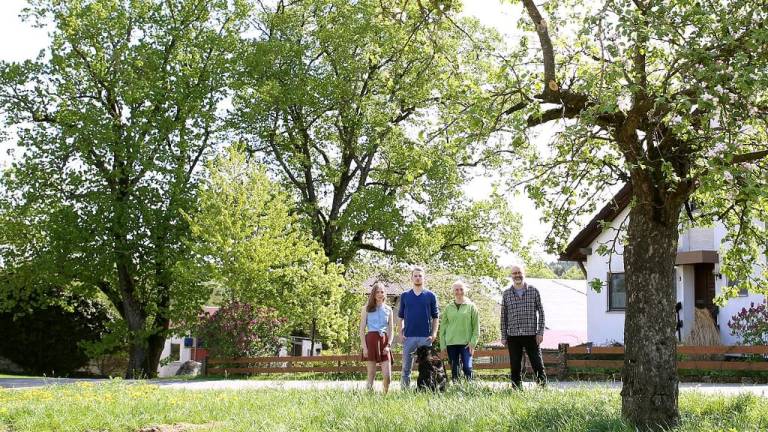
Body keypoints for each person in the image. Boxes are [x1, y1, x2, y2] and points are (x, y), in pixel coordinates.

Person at [500, 264, 546, 388]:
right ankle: (516, 389)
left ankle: (543, 387)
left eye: (519, 272)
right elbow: (503, 316)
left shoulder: (533, 290)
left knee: (537, 363)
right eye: (514, 273)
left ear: (523, 274)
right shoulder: (506, 294)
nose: (517, 275)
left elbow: (541, 312)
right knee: (515, 365)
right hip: (513, 336)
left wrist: (540, 332)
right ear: (511, 276)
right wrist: (504, 335)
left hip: (531, 334)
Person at [398, 266, 440, 389]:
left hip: (425, 337)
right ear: (411, 278)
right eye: (415, 275)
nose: (417, 278)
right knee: (406, 368)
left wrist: (434, 333)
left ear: (424, 278)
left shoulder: (431, 295)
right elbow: (400, 317)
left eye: (420, 275)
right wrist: (400, 333)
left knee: (427, 367)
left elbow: (435, 317)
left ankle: (426, 389)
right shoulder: (405, 295)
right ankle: (404, 391)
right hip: (409, 337)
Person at [439, 280, 479, 381]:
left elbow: (476, 327)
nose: (459, 292)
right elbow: (443, 328)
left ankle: (470, 389)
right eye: (456, 289)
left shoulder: (471, 306)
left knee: (467, 367)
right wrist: (443, 346)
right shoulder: (448, 308)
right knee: (454, 369)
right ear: (453, 291)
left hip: (466, 343)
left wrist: (473, 342)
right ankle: (455, 390)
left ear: (465, 290)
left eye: (461, 289)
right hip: (451, 343)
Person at [359, 282, 393, 393]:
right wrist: (364, 347)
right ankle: (369, 396)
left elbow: (391, 330)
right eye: (377, 292)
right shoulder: (366, 309)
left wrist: (388, 345)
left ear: (384, 294)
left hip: (384, 342)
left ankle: (385, 396)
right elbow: (362, 329)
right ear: (373, 294)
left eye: (382, 292)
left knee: (388, 377)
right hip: (371, 341)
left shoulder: (389, 310)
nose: (379, 294)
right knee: (371, 374)